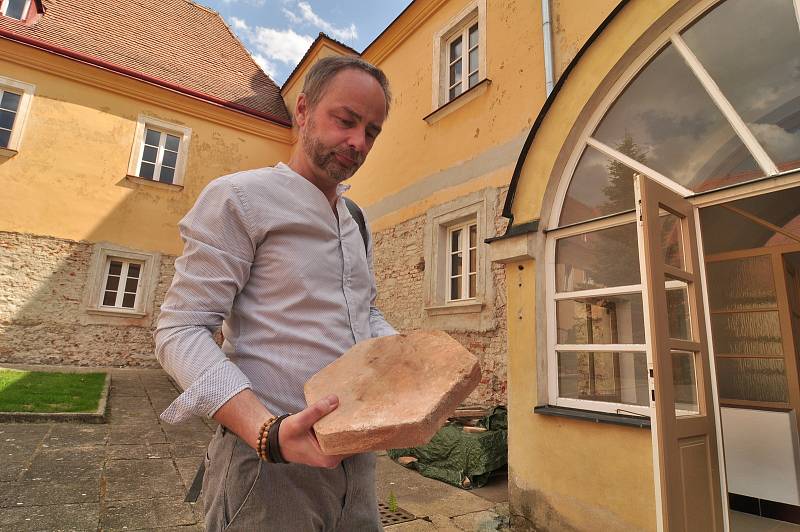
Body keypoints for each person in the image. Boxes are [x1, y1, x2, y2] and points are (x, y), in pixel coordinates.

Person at [155, 56, 396, 531]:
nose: (358, 142)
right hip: (268, 467)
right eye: (345, 121)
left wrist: (404, 360)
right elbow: (180, 329)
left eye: (372, 131)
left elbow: (363, 313)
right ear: (302, 111)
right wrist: (268, 434)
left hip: (356, 457)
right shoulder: (239, 198)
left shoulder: (357, 221)